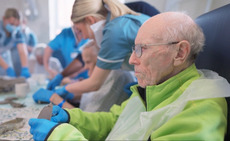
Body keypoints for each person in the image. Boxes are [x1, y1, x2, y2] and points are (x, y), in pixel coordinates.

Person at [28, 12, 230, 140]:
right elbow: (114, 121)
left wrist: (60, 136)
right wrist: (71, 117)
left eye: (142, 49)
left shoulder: (200, 108)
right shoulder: (152, 88)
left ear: (179, 53)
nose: (132, 60)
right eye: (134, 49)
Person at [45, 0, 150, 98]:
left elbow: (95, 83)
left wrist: (61, 90)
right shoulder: (125, 21)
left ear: (90, 20)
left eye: (80, 30)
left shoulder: (114, 31)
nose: (84, 37)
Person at [33, 40, 134, 112]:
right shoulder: (110, 73)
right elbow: (96, 97)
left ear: (101, 60)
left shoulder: (115, 76)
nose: (85, 67)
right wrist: (74, 96)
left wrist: (56, 99)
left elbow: (88, 120)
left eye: (88, 62)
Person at [0, 8, 30, 78]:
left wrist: (25, 68)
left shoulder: (17, 32)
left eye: (17, 25)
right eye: (11, 24)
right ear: (4, 19)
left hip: (3, 58)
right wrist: (7, 68)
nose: (14, 27)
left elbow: (22, 50)